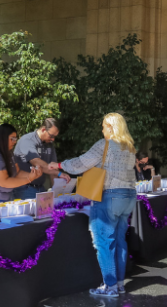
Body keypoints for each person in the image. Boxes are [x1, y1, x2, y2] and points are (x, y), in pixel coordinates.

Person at [48, 113, 137, 297]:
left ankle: (110, 287)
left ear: (111, 127)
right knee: (120, 241)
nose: (102, 129)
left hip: (109, 195)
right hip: (128, 196)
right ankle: (119, 285)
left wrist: (58, 165)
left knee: (104, 242)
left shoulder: (105, 144)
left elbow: (80, 163)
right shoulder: (129, 147)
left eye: (104, 126)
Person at [12, 118, 71, 200]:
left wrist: (57, 191)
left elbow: (53, 169)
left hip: (40, 188)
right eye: (51, 136)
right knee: (31, 213)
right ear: (43, 129)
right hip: (24, 188)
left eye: (55, 137)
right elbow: (37, 162)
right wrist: (59, 173)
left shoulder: (49, 144)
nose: (53, 139)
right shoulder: (27, 140)